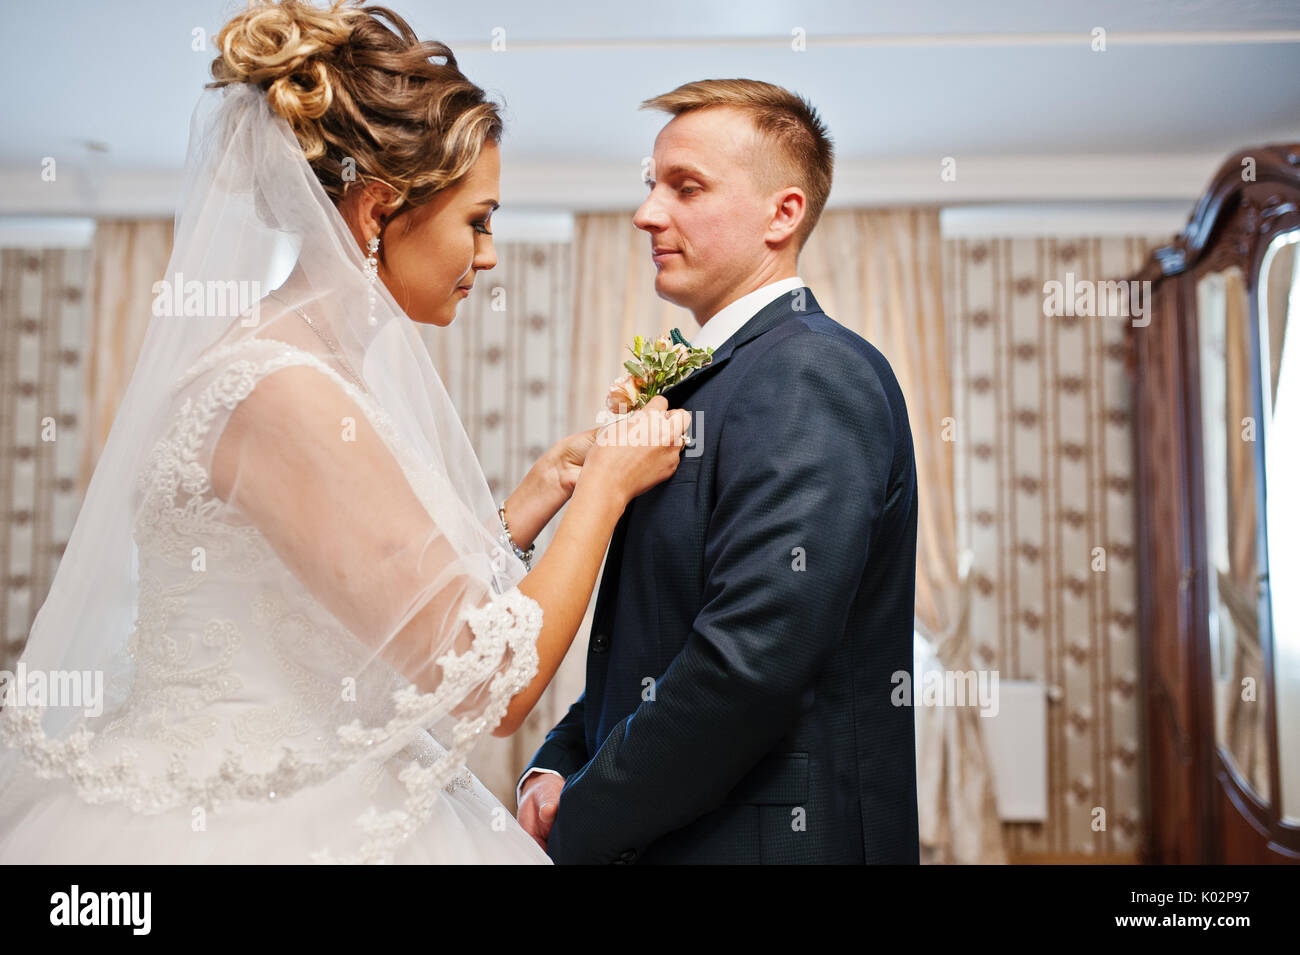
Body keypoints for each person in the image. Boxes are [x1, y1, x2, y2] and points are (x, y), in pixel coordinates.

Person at [0, 0, 688, 864]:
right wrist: (606, 494)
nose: (489, 255)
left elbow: (381, 594)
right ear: (375, 213)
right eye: (477, 220)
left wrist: (532, 498)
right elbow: (484, 689)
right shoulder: (282, 391)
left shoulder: (305, 366)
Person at [518, 79, 921, 864]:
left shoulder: (808, 372)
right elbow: (650, 641)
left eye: (686, 187)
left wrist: (578, 819)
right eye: (650, 185)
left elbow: (747, 666)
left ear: (784, 212)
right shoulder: (726, 375)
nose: (647, 213)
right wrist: (557, 759)